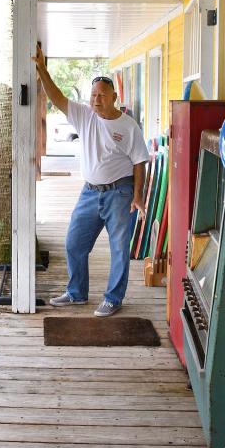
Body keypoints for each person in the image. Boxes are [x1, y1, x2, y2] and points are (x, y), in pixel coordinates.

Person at [33, 45, 149, 317]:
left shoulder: (128, 126)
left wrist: (138, 195)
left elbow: (139, 161)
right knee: (74, 243)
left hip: (120, 192)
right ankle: (76, 293)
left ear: (114, 97)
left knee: (119, 249)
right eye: (93, 95)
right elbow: (57, 97)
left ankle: (113, 298)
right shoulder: (85, 116)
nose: (96, 100)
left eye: (102, 96)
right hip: (89, 192)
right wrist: (41, 69)